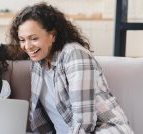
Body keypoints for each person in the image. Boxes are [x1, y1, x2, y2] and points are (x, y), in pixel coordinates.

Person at [8, 2, 134, 134]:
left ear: (53, 35)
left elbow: (83, 123)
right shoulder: (39, 60)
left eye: (33, 38)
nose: (27, 46)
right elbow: (5, 50)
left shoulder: (74, 55)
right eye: (22, 40)